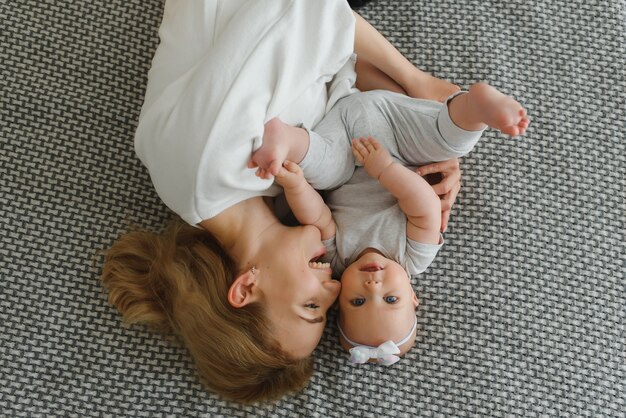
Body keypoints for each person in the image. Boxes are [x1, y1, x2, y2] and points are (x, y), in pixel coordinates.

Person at [101, 0, 465, 403]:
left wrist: (416, 82)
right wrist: (424, 148)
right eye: (330, 309)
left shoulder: (207, 163)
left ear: (246, 287)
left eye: (311, 305)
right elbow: (347, 80)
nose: (334, 288)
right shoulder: (281, 201)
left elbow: (308, 10)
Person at [249, 82, 529, 364]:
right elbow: (426, 208)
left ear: (339, 297)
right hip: (399, 138)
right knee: (446, 142)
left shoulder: (337, 259)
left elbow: (317, 216)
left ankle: (285, 139)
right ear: (412, 295)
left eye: (358, 302)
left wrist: (296, 186)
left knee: (322, 171)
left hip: (345, 147)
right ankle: (477, 107)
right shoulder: (413, 258)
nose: (373, 286)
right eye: (391, 299)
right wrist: (384, 169)